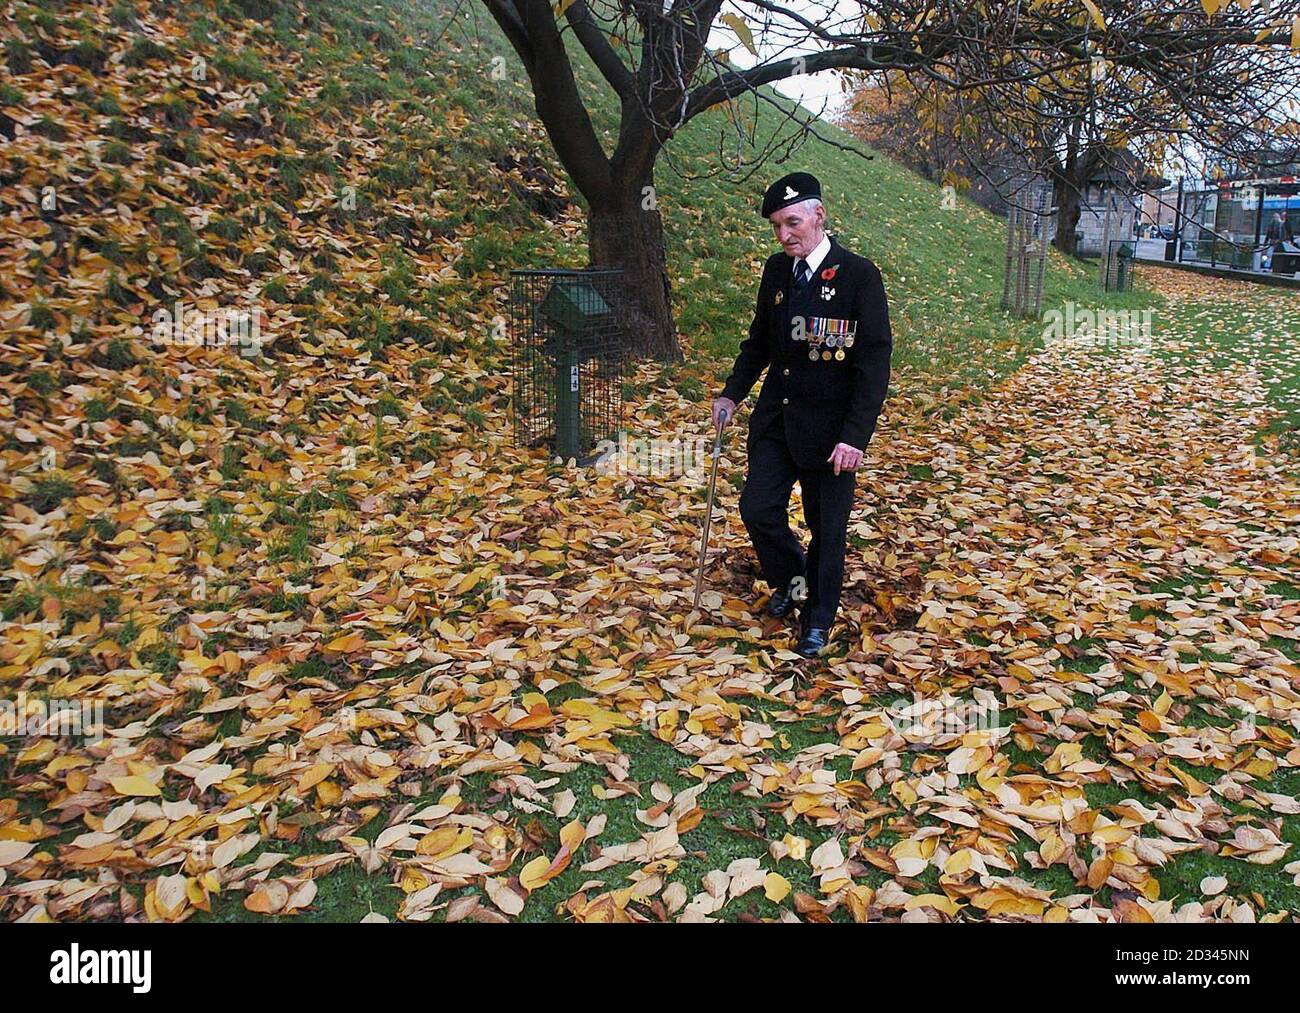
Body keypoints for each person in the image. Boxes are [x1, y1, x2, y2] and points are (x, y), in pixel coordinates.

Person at [711, 172, 892, 659]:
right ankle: (793, 581)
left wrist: (856, 436)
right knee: (758, 508)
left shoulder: (858, 275)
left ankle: (817, 618)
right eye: (776, 226)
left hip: (833, 433)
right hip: (776, 420)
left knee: (826, 529)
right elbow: (760, 343)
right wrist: (732, 393)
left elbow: (873, 365)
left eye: (792, 222)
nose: (784, 235)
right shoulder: (777, 271)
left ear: (818, 216)